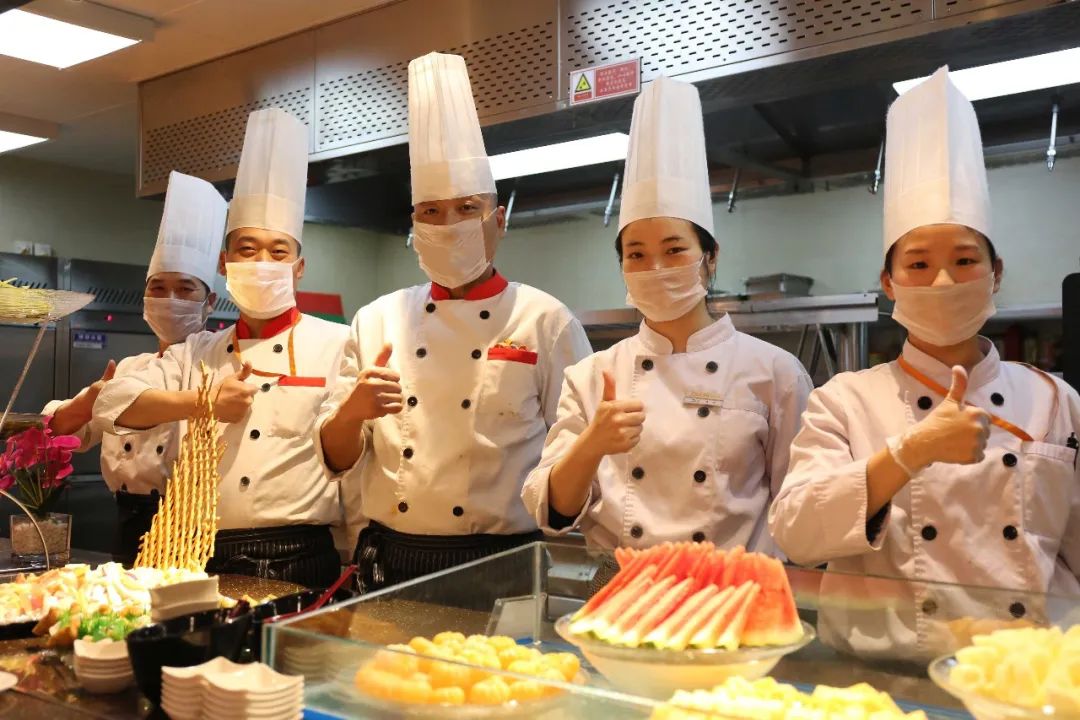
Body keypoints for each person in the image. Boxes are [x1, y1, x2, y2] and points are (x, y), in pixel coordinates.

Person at [769, 67, 1080, 660]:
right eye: (917, 264)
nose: (942, 281)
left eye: (964, 260)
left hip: (1029, 676)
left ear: (996, 273)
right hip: (885, 675)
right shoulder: (844, 400)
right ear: (888, 282)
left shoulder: (1055, 399)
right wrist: (909, 453)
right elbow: (797, 534)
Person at [318, 52, 592, 593]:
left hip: (503, 563)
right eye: (432, 213)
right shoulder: (376, 320)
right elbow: (336, 459)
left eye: (467, 208)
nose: (449, 225)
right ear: (414, 226)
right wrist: (351, 413)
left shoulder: (546, 321)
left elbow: (576, 453)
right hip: (392, 558)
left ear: (499, 220)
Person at [521, 76, 812, 556]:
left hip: (729, 588)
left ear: (710, 257)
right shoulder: (593, 375)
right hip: (619, 585)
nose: (655, 269)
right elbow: (551, 512)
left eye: (674, 250)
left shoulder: (775, 372)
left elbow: (800, 512)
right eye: (636, 254)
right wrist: (592, 443)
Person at [94, 108, 348, 587]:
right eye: (248, 250)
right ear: (225, 263)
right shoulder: (196, 351)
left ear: (299, 268)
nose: (262, 262)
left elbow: (355, 462)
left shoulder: (339, 342)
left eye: (278, 251)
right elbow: (111, 404)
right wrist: (202, 402)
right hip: (200, 553)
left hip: (301, 553)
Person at [45, 171, 224, 565]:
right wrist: (89, 403)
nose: (170, 298)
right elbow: (60, 431)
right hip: (127, 522)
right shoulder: (130, 367)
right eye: (158, 288)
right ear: (144, 297)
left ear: (209, 301)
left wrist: (107, 402)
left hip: (190, 528)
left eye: (185, 289)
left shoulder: (219, 362)